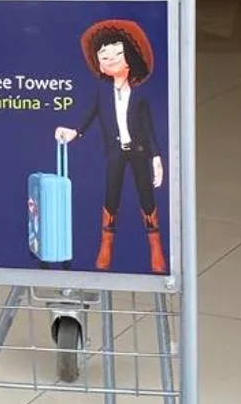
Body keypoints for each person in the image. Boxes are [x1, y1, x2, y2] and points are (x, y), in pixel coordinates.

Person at [55, 20, 166, 273]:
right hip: (114, 152)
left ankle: (156, 247)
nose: (110, 58)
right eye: (104, 55)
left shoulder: (140, 94)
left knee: (146, 197)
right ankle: (106, 245)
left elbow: (149, 128)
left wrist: (156, 157)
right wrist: (75, 132)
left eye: (117, 53)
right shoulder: (101, 92)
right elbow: (89, 115)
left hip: (139, 151)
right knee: (111, 196)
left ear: (131, 58)